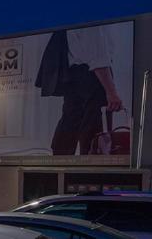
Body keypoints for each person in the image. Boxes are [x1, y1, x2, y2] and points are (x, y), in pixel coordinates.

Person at [35, 27, 125, 156]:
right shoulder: (93, 19)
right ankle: (90, 171)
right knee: (94, 129)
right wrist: (112, 92)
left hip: (73, 76)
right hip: (91, 76)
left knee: (71, 121)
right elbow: (98, 59)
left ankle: (58, 167)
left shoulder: (73, 19)